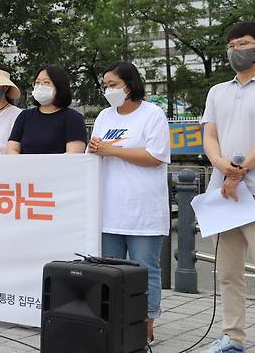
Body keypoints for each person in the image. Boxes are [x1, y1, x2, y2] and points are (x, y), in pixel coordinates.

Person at [88, 61, 170, 343]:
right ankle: (114, 321)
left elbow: (155, 156)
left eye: (113, 84)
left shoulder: (152, 114)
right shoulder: (104, 117)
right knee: (109, 270)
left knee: (144, 269)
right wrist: (98, 150)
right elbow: (96, 151)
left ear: (129, 84)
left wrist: (112, 149)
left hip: (143, 209)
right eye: (105, 85)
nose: (108, 89)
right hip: (110, 208)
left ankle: (146, 321)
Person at [200, 21, 255, 353]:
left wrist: (239, 170)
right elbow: (209, 134)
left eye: (242, 43)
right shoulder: (217, 92)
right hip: (224, 193)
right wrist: (220, 164)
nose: (235, 50)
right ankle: (233, 338)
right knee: (228, 271)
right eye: (231, 45)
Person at [7, 65, 86, 154]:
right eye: (37, 82)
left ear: (59, 86)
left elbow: (74, 153)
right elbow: (12, 149)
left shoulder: (73, 118)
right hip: (25, 167)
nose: (40, 86)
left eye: (46, 82)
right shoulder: (25, 116)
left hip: (59, 167)